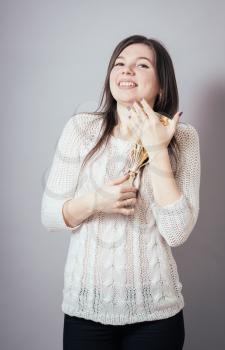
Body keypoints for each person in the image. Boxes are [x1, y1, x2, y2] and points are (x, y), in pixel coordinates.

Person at [41, 34, 201, 350]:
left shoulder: (182, 138)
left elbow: (177, 232)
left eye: (141, 65)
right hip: (85, 312)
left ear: (162, 86)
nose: (126, 71)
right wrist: (96, 201)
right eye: (120, 64)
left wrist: (156, 148)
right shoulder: (80, 130)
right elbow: (49, 216)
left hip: (157, 317)